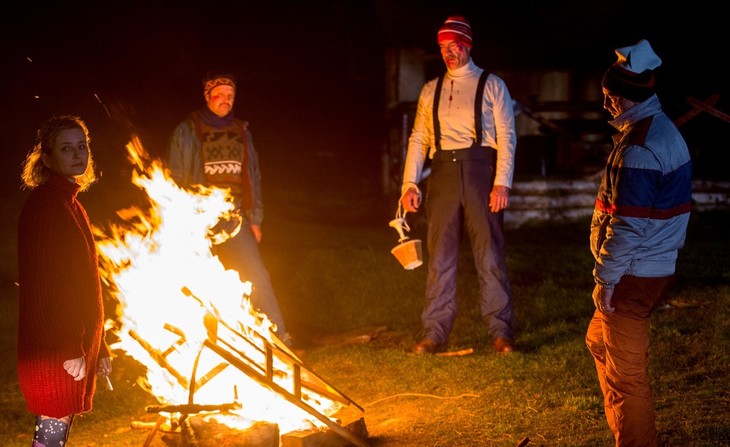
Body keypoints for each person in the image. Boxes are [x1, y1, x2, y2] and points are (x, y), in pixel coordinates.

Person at [585, 39, 692, 447]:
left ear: (630, 97)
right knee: (598, 340)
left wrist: (605, 279)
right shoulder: (652, 131)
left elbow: (627, 225)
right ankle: (627, 431)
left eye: (611, 97)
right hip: (648, 267)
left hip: (633, 274)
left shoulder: (641, 148)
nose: (607, 104)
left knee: (626, 377)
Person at [400, 16, 517, 355]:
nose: (448, 53)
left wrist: (501, 183)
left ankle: (501, 332)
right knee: (441, 257)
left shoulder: (492, 84)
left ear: (467, 45)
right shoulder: (431, 89)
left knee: (489, 254)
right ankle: (435, 332)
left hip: (481, 169)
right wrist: (410, 183)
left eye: (454, 46)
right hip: (443, 174)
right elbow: (419, 138)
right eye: (443, 48)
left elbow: (507, 136)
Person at [167, 70, 292, 346]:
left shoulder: (241, 131)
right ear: (208, 96)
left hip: (235, 217)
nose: (226, 100)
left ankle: (277, 337)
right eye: (221, 95)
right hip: (199, 218)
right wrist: (179, 220)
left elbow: (254, 175)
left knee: (255, 274)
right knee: (199, 279)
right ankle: (200, 341)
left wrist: (255, 219)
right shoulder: (188, 130)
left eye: (231, 96)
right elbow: (175, 176)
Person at [17, 115, 113, 447]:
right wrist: (71, 345)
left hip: (69, 346)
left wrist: (98, 346)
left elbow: (83, 284)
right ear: (47, 158)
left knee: (55, 435)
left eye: (82, 146)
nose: (77, 154)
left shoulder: (69, 203)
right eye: (66, 148)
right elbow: (49, 287)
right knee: (50, 439)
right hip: (55, 349)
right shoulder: (48, 208)